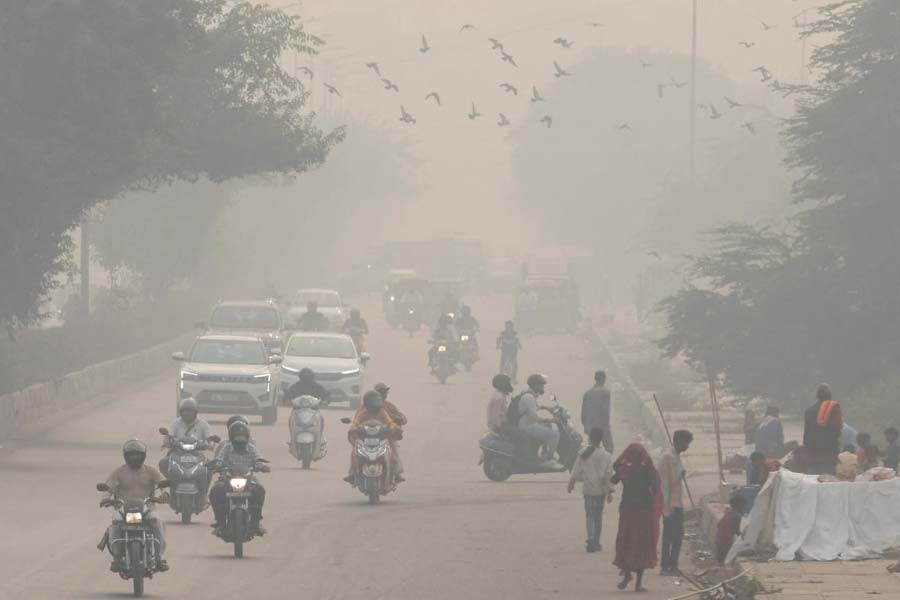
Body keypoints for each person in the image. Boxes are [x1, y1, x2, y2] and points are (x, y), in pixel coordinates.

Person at [101, 439, 169, 572]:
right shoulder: (118, 472)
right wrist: (105, 499)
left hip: (147, 508)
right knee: (115, 524)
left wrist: (165, 494)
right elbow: (108, 488)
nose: (134, 457)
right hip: (122, 508)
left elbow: (163, 483)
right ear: (126, 456)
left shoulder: (151, 471)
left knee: (158, 522)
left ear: (143, 455)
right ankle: (116, 558)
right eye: (131, 454)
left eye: (137, 454)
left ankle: (159, 558)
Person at [612, 443, 663, 593]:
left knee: (633, 543)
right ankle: (633, 579)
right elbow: (656, 486)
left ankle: (632, 578)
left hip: (636, 512)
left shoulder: (631, 469)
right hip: (637, 511)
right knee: (635, 544)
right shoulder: (641, 468)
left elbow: (614, 478)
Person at [209, 420, 269, 536]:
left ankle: (256, 523)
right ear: (231, 437)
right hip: (227, 478)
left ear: (247, 437)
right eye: (237, 439)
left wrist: (262, 467)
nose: (240, 442)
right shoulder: (226, 447)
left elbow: (258, 459)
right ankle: (220, 523)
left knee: (259, 490)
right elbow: (220, 459)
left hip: (248, 478)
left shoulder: (251, 448)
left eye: (242, 439)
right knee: (215, 491)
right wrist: (216, 466)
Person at [160, 397, 215, 504]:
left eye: (190, 411)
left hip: (197, 453)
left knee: (209, 467)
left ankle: (204, 494)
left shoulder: (203, 424)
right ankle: (172, 485)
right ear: (181, 412)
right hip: (177, 452)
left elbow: (210, 439)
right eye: (185, 411)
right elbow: (168, 436)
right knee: (163, 463)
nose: (187, 413)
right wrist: (167, 442)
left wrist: (210, 445)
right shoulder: (176, 423)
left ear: (195, 412)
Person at [568, 428, 614, 553]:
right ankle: (596, 542)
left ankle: (591, 538)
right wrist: (609, 492)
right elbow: (607, 475)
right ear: (601, 439)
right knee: (598, 516)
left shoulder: (584, 453)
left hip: (588, 490)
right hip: (600, 491)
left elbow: (576, 471)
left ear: (589, 438)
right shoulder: (606, 455)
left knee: (589, 515)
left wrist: (571, 484)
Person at [345, 390, 402, 484]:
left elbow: (390, 422)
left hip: (382, 437)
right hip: (365, 438)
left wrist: (393, 427)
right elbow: (355, 422)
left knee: (392, 452)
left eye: (378, 401)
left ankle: (396, 472)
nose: (377, 403)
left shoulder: (382, 411)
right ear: (368, 402)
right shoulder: (363, 412)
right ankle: (352, 473)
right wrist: (353, 429)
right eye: (375, 401)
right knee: (355, 452)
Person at [659, 429, 693, 576]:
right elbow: (664, 484)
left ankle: (673, 565)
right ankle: (665, 566)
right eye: (686, 443)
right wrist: (665, 507)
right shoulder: (667, 458)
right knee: (669, 537)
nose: (687, 446)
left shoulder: (677, 457)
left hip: (677, 503)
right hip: (670, 504)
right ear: (678, 441)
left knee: (678, 536)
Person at [516, 374, 562, 468]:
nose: (543, 387)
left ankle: (544, 453)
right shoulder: (529, 397)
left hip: (528, 424)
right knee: (554, 434)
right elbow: (534, 417)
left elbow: (535, 407)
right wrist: (551, 420)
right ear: (535, 385)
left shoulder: (530, 395)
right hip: (527, 427)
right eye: (541, 385)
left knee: (548, 427)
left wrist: (548, 408)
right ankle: (549, 458)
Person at [802, 383, 843, 475]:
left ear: (817, 396)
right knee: (828, 482)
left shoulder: (809, 411)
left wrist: (806, 451)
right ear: (830, 395)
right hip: (829, 452)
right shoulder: (833, 408)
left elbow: (806, 434)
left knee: (813, 480)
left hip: (813, 453)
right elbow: (837, 429)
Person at [581, 370, 614, 453]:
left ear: (595, 379)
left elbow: (583, 412)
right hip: (602, 425)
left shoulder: (587, 393)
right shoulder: (605, 392)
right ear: (603, 379)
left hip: (590, 426)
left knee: (592, 449)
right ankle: (605, 464)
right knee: (609, 447)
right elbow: (605, 411)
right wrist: (606, 426)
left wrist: (585, 425)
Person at [715, 495, 746, 565]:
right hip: (727, 542)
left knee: (720, 561)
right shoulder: (737, 517)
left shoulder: (727, 514)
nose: (744, 508)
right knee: (726, 560)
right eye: (743, 506)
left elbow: (718, 525)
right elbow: (738, 533)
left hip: (718, 540)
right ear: (739, 506)